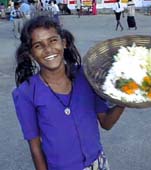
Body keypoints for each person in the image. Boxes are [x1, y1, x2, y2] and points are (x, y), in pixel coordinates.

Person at [12, 15, 125, 170]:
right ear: (31, 53)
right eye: (38, 46)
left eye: (53, 40)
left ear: (64, 42)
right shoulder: (25, 93)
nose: (48, 49)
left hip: (99, 164)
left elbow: (106, 123)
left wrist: (124, 100)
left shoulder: (86, 76)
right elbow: (35, 147)